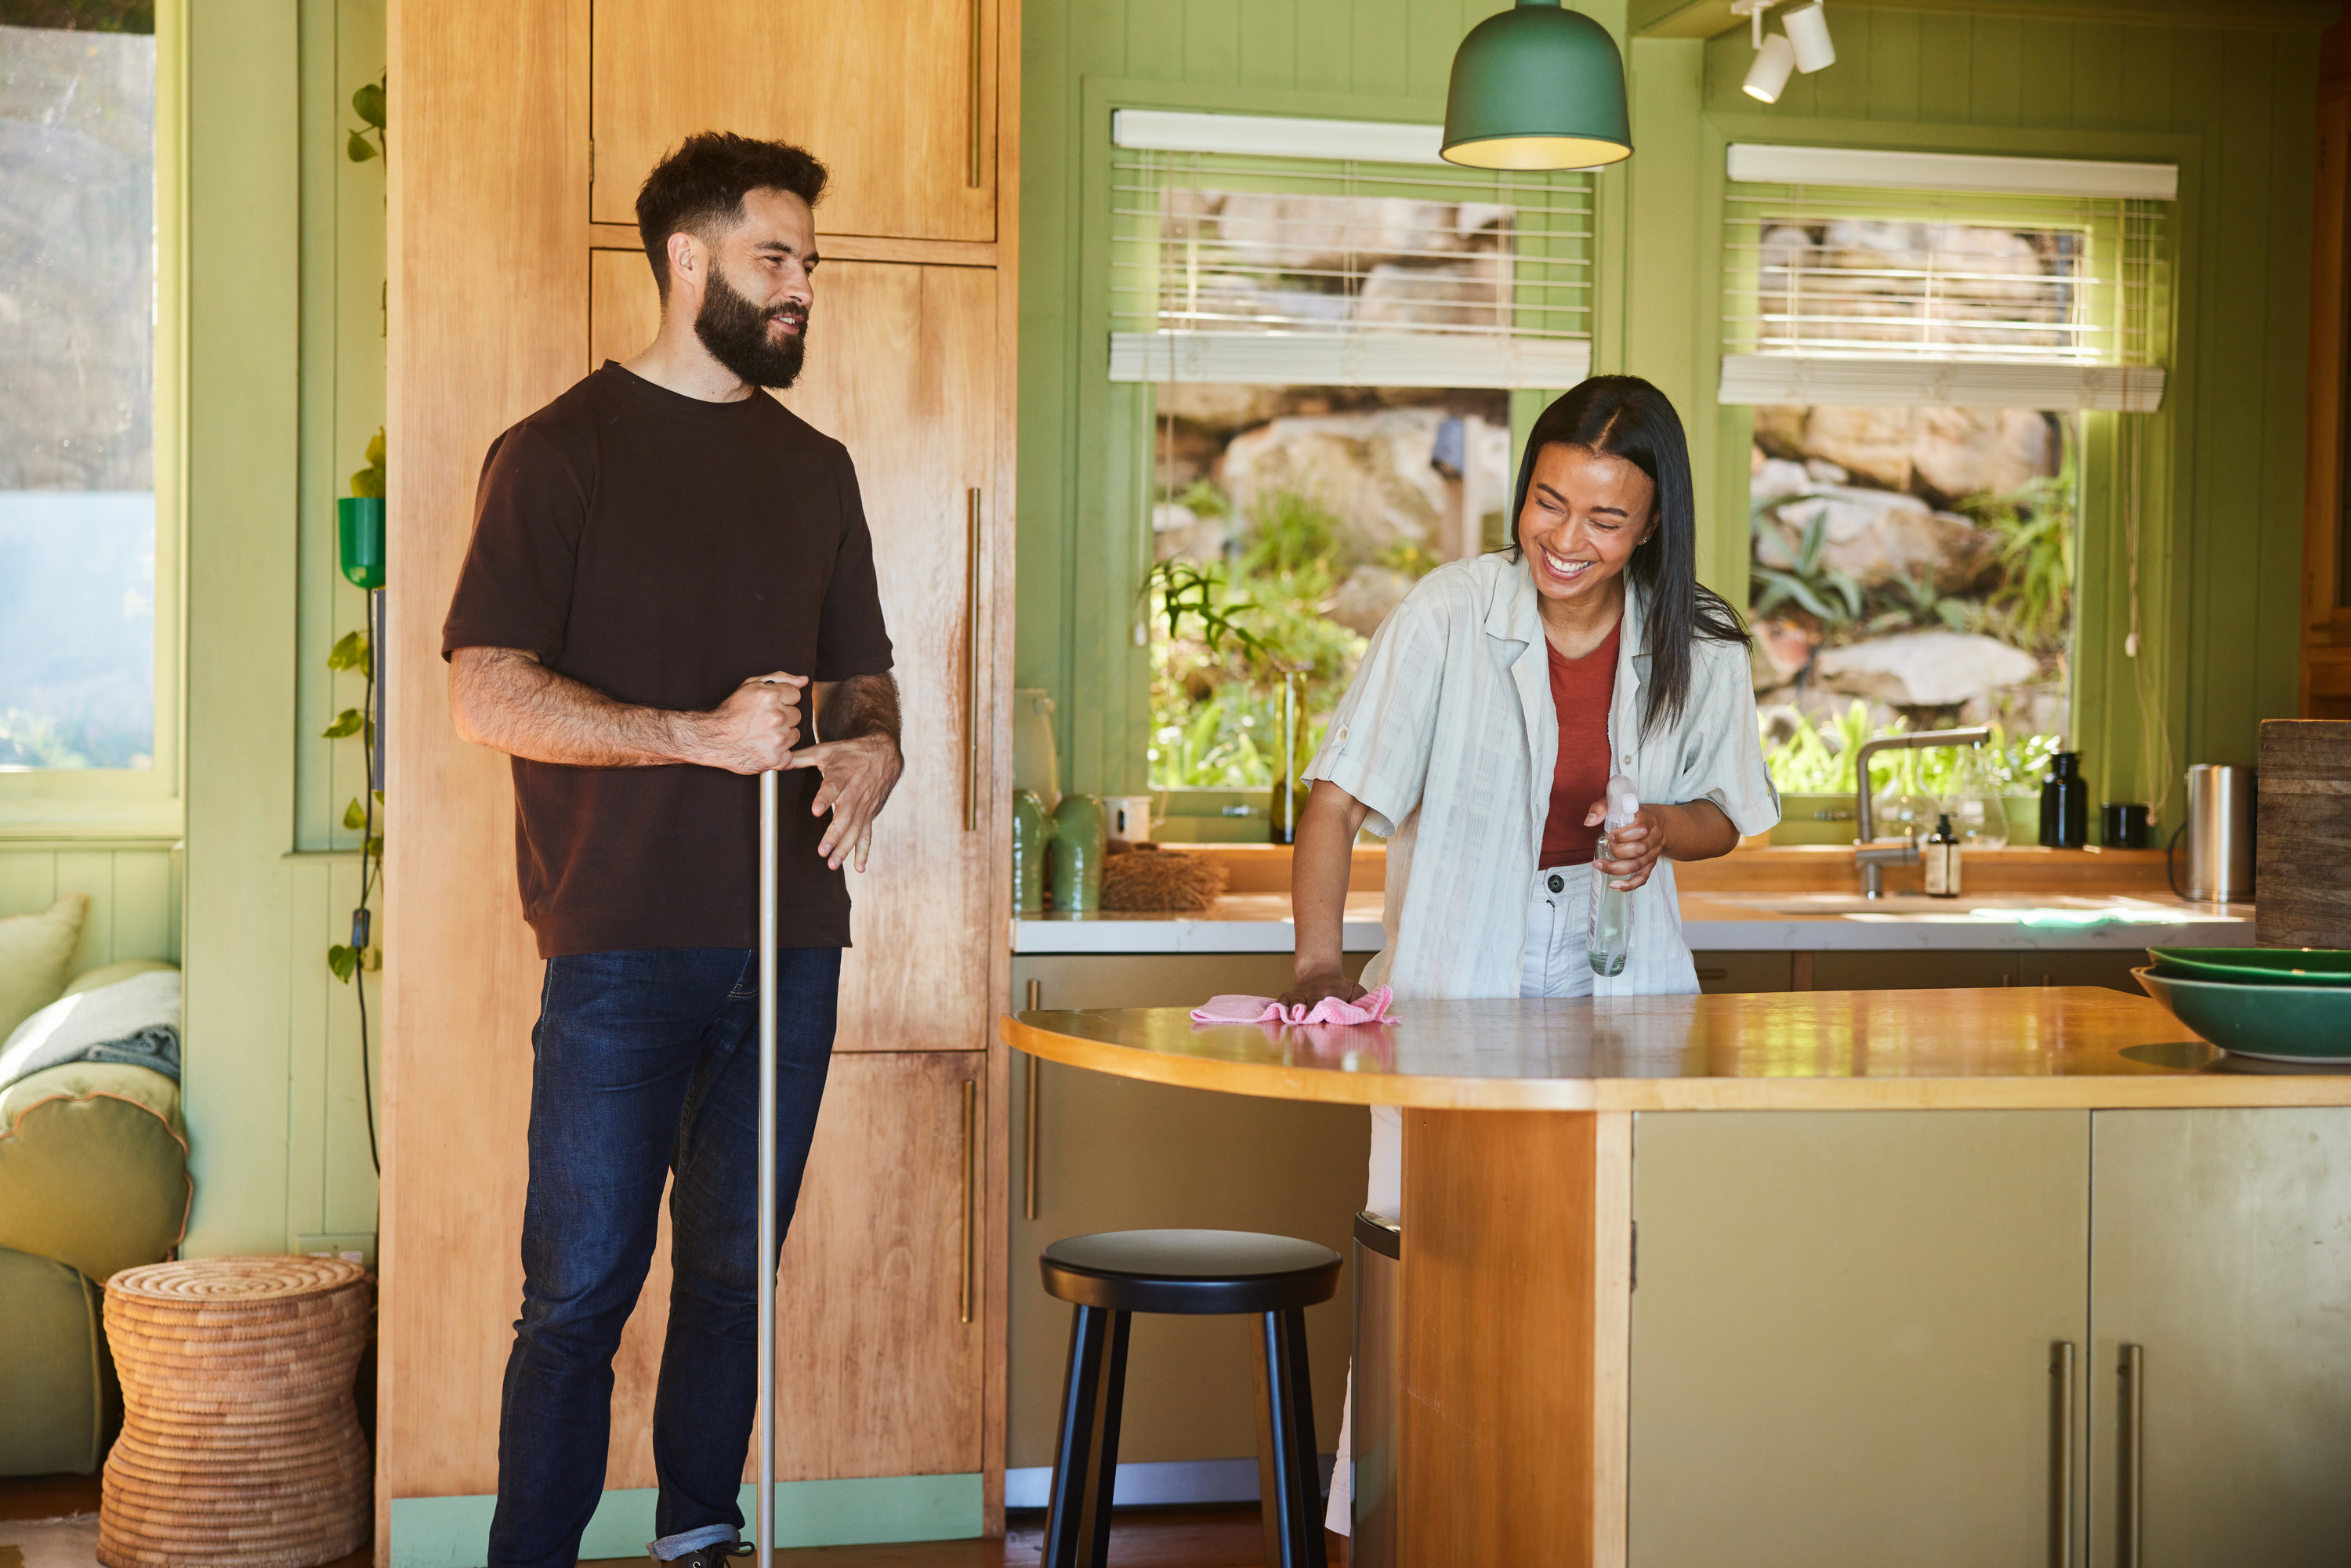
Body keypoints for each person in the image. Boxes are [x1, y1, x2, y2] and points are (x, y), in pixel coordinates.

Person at [440, 132, 904, 1568]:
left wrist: (873, 750)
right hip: (620, 946)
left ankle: (701, 1531)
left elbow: (861, 676)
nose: (801, 292)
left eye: (810, 267)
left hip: (789, 942)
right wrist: (694, 737)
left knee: (729, 1280)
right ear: (686, 259)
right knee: (576, 1293)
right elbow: (483, 688)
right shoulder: (558, 452)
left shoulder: (818, 469)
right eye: (777, 260)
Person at [1280, 375, 1779, 1537]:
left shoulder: (1697, 640)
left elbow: (1730, 810)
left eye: (1606, 518)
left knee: (1617, 1266)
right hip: (1455, 980)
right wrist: (1318, 967)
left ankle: (1605, 1520)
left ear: (1653, 524)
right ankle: (1404, 1524)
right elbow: (1335, 803)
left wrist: (1662, 836)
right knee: (1427, 1262)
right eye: (1549, 503)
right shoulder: (1450, 614)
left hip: (1627, 993)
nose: (1567, 539)